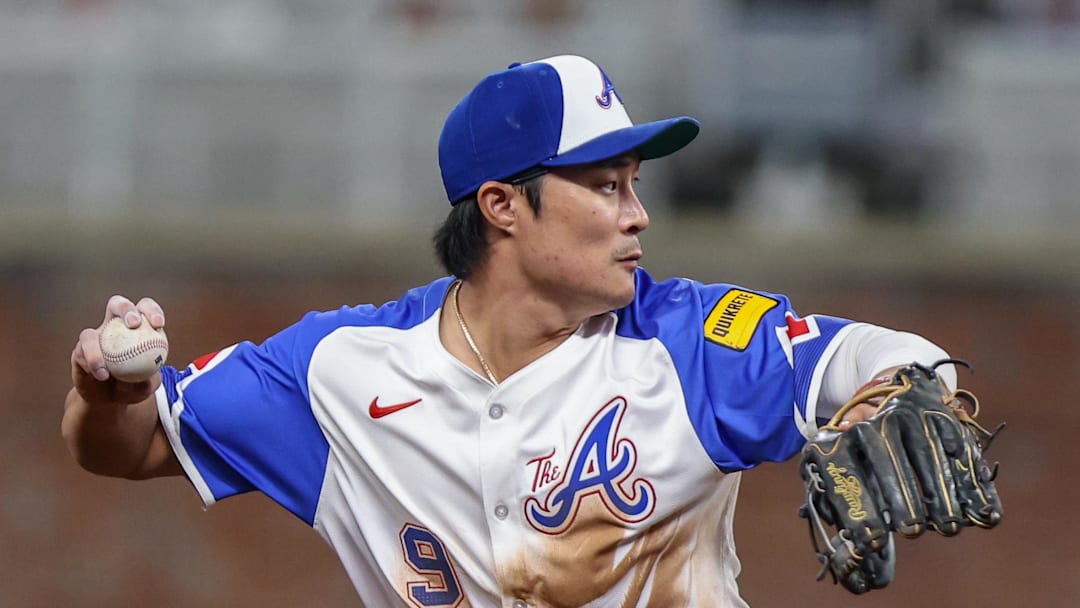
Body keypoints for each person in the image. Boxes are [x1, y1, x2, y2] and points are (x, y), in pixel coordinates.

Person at [63, 55, 958, 607]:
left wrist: (909, 389)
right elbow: (129, 446)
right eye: (605, 185)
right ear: (502, 206)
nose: (637, 214)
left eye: (635, 183)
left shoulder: (688, 342)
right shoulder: (339, 369)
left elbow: (873, 356)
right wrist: (110, 390)